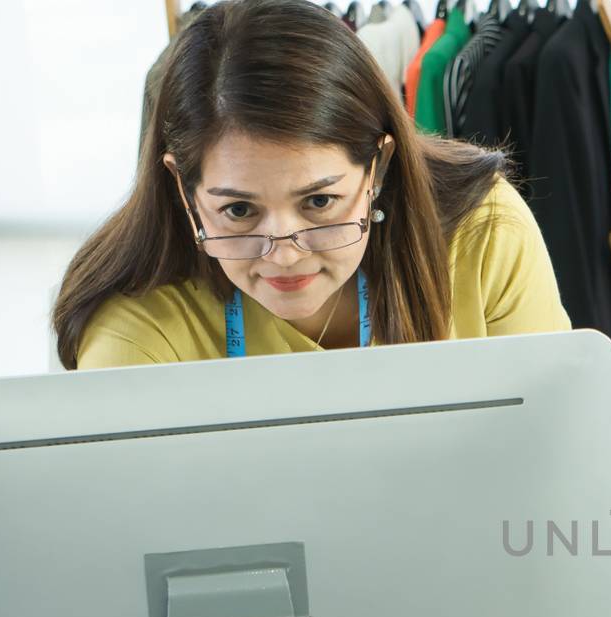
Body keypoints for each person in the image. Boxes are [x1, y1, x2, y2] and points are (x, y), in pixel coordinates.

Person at [54, 0, 568, 371]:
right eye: (238, 211)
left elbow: (555, 457)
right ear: (185, 193)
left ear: (378, 168)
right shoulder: (134, 324)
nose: (284, 254)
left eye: (320, 201)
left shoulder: (485, 233)